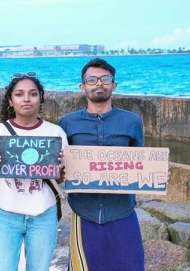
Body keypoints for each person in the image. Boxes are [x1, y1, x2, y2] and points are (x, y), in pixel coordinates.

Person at [58, 58, 145, 270]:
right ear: (83, 86)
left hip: (122, 211)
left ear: (114, 85)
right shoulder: (68, 123)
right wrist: (61, 173)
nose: (99, 83)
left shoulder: (132, 122)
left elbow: (141, 162)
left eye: (105, 79)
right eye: (92, 79)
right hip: (83, 212)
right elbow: (60, 169)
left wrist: (156, 175)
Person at [0, 72, 67, 271]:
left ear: (40, 99)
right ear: (11, 101)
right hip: (7, 213)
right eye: (19, 94)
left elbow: (60, 179)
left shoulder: (55, 133)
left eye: (33, 94)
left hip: (44, 213)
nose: (26, 98)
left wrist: (61, 169)